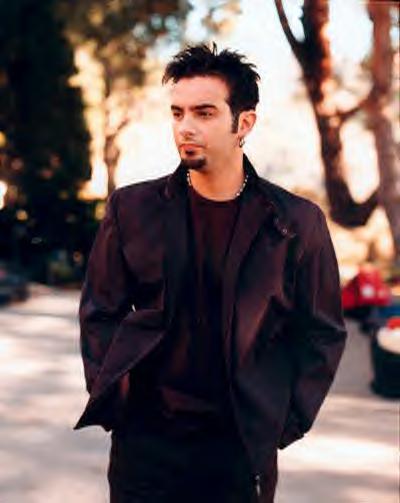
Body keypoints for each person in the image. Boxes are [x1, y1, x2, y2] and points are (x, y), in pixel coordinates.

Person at [74, 43, 347, 502]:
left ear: (244, 123)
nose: (186, 126)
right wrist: (118, 397)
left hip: (239, 451)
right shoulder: (132, 209)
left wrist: (281, 422)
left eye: (204, 113)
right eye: (177, 113)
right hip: (146, 448)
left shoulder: (294, 223)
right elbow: (99, 312)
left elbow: (322, 332)